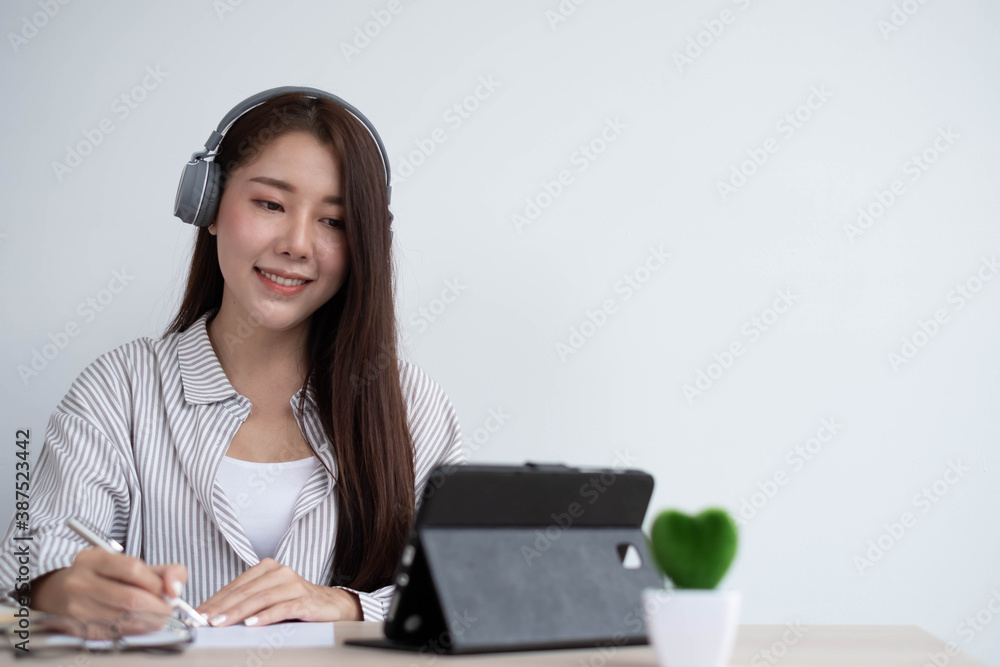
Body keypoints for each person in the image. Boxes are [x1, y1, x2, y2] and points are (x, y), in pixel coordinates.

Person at [0, 88, 464, 631]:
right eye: (270, 204)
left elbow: (469, 590)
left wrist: (347, 604)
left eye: (334, 222)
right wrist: (57, 588)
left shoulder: (412, 406)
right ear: (209, 206)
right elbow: (30, 563)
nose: (297, 244)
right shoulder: (118, 389)